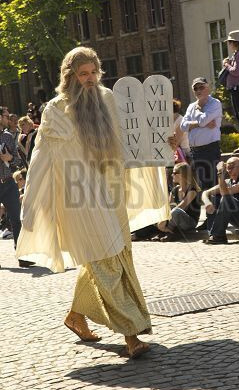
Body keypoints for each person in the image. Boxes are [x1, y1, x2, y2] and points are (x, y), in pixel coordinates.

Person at [16, 47, 152, 358]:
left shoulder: (107, 98)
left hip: (112, 191)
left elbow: (130, 139)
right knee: (106, 260)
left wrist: (160, 145)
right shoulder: (55, 111)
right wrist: (32, 203)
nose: (89, 79)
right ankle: (132, 334)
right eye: (83, 74)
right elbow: (41, 158)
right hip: (81, 198)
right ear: (70, 77)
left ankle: (76, 315)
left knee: (116, 256)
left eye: (93, 72)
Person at [180, 77, 222, 190]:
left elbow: (203, 120)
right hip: (196, 151)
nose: (198, 90)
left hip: (210, 149)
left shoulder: (215, 103)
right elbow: (183, 126)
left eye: (201, 87)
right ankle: (208, 206)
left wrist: (198, 113)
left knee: (213, 184)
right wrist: (200, 124)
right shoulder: (191, 106)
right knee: (203, 185)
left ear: (208, 88)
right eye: (195, 88)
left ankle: (216, 207)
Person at [202, 157, 239, 244]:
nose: (229, 169)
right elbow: (205, 193)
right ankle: (213, 234)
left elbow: (224, 193)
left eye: (232, 166)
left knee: (226, 199)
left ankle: (218, 235)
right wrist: (207, 203)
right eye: (227, 166)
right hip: (238, 219)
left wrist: (220, 174)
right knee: (213, 198)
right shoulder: (229, 181)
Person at [0, 108, 25, 263]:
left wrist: (9, 158)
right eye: (6, 116)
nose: (8, 119)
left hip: (8, 183)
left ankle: (21, 255)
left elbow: (18, 161)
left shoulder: (8, 137)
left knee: (16, 219)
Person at [156, 162, 201, 241]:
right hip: (174, 219)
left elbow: (181, 207)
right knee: (160, 211)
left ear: (182, 175)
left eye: (174, 173)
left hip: (189, 221)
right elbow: (169, 207)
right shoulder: (175, 190)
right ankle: (164, 231)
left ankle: (167, 232)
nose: (172, 175)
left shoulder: (192, 190)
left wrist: (163, 220)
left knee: (176, 211)